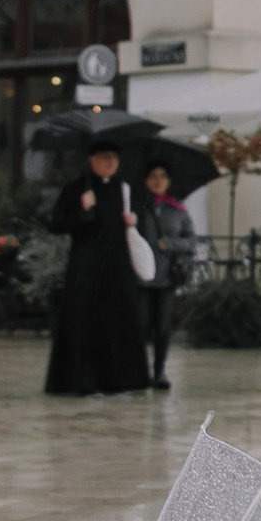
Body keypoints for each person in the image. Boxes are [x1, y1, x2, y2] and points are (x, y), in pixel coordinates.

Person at [42, 136, 152, 398]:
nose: (109, 163)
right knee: (84, 322)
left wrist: (133, 220)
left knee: (119, 322)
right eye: (104, 158)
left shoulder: (124, 189)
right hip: (86, 268)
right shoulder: (77, 189)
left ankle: (121, 381)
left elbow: (139, 221)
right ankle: (83, 381)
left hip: (117, 268)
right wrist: (83, 212)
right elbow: (56, 223)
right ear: (92, 161)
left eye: (114, 159)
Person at [140, 160, 197, 392]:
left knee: (163, 327)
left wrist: (171, 243)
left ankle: (159, 370)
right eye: (153, 175)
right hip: (141, 277)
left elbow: (191, 241)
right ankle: (139, 370)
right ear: (145, 180)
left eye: (162, 175)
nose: (158, 180)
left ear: (169, 181)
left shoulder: (178, 209)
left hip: (166, 278)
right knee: (141, 326)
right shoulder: (138, 207)